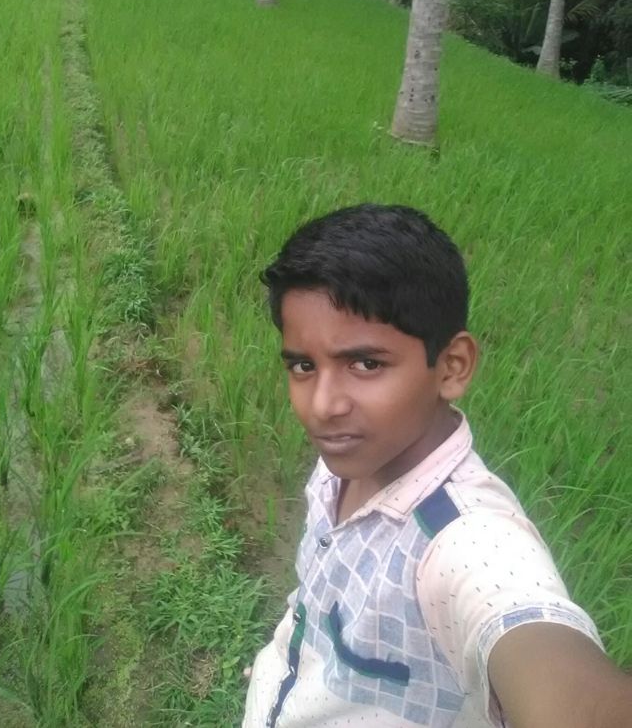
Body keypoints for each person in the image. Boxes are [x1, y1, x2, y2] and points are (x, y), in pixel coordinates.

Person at [242, 204, 631, 728]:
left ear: (452, 366)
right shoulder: (347, 458)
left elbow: (559, 678)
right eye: (303, 366)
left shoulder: (464, 541)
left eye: (366, 364)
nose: (322, 405)